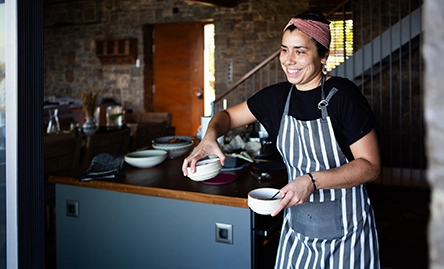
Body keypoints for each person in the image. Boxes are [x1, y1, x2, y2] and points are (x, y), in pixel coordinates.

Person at [182, 10, 380, 268]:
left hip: (347, 236)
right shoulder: (277, 98)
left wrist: (312, 181)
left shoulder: (343, 96)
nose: (288, 60)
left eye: (300, 51)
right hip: (297, 235)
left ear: (323, 56)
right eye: (284, 49)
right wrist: (210, 136)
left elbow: (370, 166)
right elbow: (226, 116)